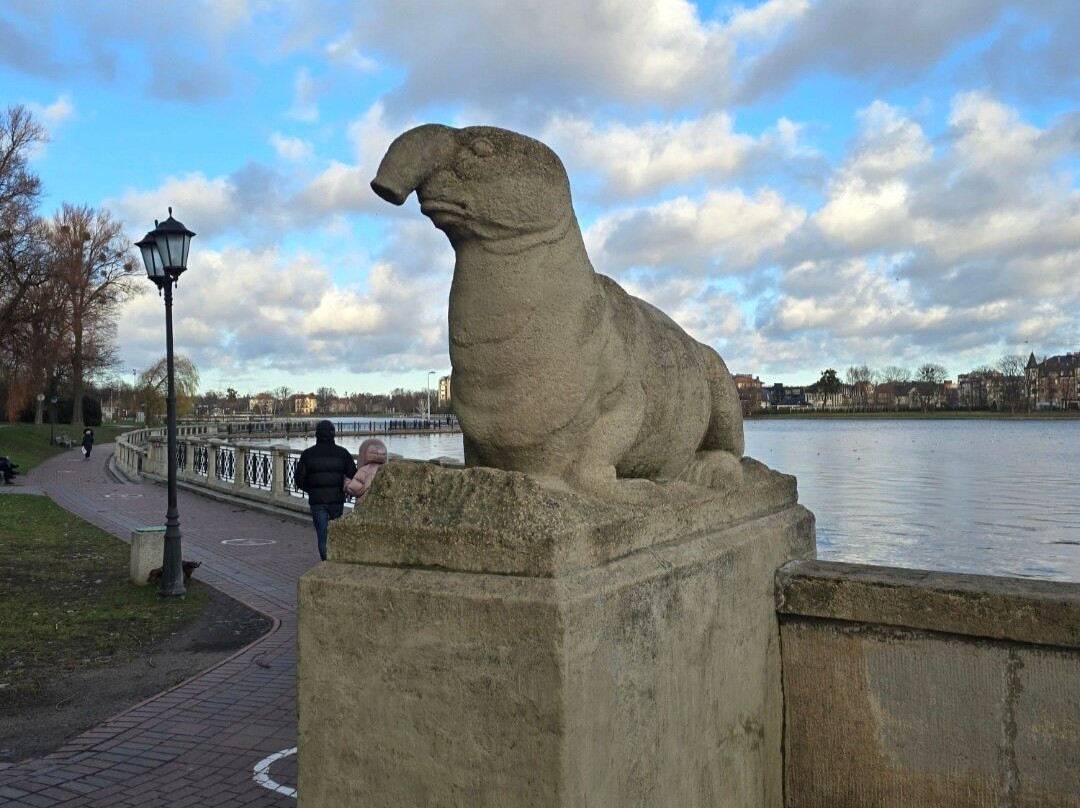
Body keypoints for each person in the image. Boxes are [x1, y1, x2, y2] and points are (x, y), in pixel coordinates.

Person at [294, 420, 357, 561]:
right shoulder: (342, 453)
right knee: (336, 534)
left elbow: (299, 479)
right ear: (333, 434)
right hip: (336, 500)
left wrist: (311, 489)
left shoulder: (308, 454)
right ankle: (336, 561)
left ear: (317, 435)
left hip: (317, 501)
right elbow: (354, 474)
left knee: (322, 535)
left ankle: (326, 563)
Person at [344, 438, 388, 503]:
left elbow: (354, 488)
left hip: (365, 504)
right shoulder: (386, 469)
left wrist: (346, 482)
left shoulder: (364, 470)